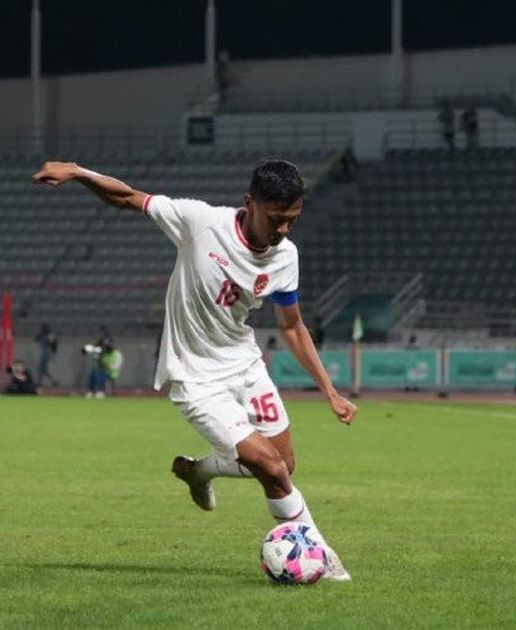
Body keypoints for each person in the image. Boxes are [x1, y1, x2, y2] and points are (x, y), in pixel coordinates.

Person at [33, 158, 357, 580]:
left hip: (244, 364)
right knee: (273, 472)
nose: (283, 230)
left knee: (284, 464)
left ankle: (198, 470)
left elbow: (292, 326)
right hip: (194, 376)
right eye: (277, 219)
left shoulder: (285, 256)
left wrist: (329, 390)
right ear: (250, 203)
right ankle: (322, 556)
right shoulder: (200, 222)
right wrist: (79, 174)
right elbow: (129, 196)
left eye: (292, 220)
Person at [34, 323, 59, 387]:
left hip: (46, 352)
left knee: (40, 368)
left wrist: (53, 352)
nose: (43, 329)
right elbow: (36, 339)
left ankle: (39, 382)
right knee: (43, 370)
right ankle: (53, 381)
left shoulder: (49, 334)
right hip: (43, 352)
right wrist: (40, 334)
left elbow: (54, 343)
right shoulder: (42, 334)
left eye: (44, 328)